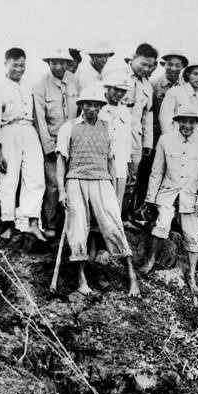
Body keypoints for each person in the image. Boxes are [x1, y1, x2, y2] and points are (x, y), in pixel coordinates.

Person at [55, 86, 139, 297]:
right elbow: (61, 161)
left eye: (96, 105)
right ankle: (81, 279)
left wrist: (110, 184)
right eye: (88, 104)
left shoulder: (108, 127)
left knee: (113, 224)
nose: (92, 108)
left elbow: (111, 160)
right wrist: (61, 191)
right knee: (78, 228)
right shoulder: (68, 128)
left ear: (101, 107)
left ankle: (132, 277)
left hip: (102, 181)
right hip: (75, 181)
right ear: (81, 105)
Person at [140, 105, 198, 291]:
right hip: (168, 191)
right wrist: (150, 198)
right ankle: (150, 261)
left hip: (191, 195)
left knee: (192, 235)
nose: (187, 125)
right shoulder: (165, 140)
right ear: (177, 121)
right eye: (184, 121)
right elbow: (157, 171)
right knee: (162, 223)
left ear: (197, 124)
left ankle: (191, 273)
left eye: (191, 122)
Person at [0, 47, 46, 242]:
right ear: (6, 64)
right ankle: (8, 224)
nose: (19, 69)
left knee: (35, 175)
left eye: (22, 65)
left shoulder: (29, 86)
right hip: (8, 130)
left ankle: (32, 222)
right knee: (9, 178)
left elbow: (38, 115)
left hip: (29, 129)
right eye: (15, 65)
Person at [33, 48, 80, 239]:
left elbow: (82, 110)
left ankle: (71, 225)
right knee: (53, 184)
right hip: (52, 142)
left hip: (73, 141)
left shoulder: (75, 81)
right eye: (54, 62)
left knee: (72, 182)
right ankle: (51, 224)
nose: (58, 66)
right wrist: (48, 146)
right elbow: (39, 119)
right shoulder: (40, 85)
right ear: (48, 63)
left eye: (62, 62)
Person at [123, 43, 157, 218]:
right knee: (115, 174)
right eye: (143, 64)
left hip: (135, 137)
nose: (146, 68)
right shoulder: (120, 77)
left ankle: (124, 215)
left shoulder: (147, 86)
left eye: (150, 66)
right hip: (116, 134)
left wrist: (147, 143)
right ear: (133, 58)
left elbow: (147, 116)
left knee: (132, 177)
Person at [99, 72, 132, 207]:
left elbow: (127, 140)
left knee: (118, 197)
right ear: (108, 88)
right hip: (103, 160)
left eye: (122, 91)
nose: (119, 94)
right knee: (103, 196)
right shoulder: (99, 109)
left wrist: (127, 165)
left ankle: (116, 226)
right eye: (116, 89)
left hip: (120, 160)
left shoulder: (124, 111)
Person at [159, 59, 198, 139]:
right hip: (174, 143)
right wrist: (172, 143)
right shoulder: (174, 92)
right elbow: (165, 121)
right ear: (188, 74)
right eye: (195, 74)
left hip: (195, 147)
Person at [151, 49, 187, 143]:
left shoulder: (185, 88)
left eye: (177, 65)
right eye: (170, 64)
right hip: (156, 137)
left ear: (182, 66)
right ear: (164, 64)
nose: (173, 69)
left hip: (179, 137)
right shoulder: (154, 85)